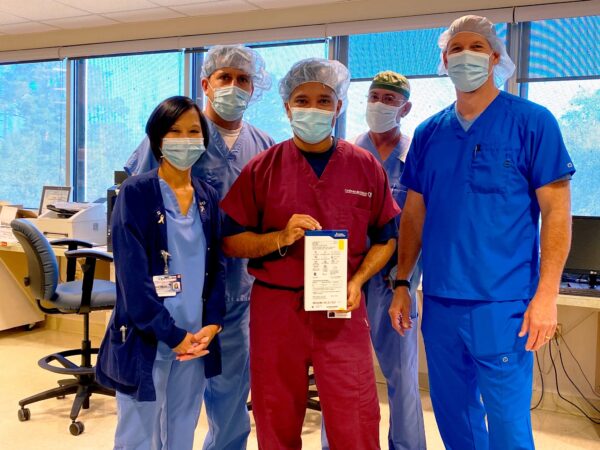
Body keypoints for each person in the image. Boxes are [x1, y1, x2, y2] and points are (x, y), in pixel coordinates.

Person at [389, 15, 575, 450]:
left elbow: (557, 213)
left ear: (495, 57)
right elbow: (413, 216)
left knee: (508, 424)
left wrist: (546, 295)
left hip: (503, 303)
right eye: (456, 49)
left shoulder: (532, 122)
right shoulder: (430, 133)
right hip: (440, 301)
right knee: (454, 417)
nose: (465, 56)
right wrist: (402, 282)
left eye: (476, 48)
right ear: (444, 59)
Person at [220, 57, 400, 450]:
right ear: (287, 107)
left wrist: (358, 281)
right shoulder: (262, 168)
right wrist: (279, 238)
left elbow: (387, 237)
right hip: (276, 309)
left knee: (355, 414)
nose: (313, 108)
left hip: (341, 306)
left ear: (338, 107)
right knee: (275, 412)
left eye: (324, 100)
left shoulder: (364, 166)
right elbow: (231, 240)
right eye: (303, 100)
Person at [124, 45, 275, 450]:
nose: (234, 86)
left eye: (243, 79)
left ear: (254, 87)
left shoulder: (264, 145)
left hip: (235, 295)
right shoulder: (176, 132)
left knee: (228, 398)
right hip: (170, 299)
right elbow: (135, 210)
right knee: (154, 407)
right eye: (224, 77)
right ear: (206, 83)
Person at [96, 96, 226, 450]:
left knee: (183, 427)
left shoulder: (207, 196)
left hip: (196, 337)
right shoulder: (136, 193)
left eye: (193, 132)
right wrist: (172, 334)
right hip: (149, 333)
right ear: (157, 139)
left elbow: (217, 268)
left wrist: (212, 324)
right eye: (175, 131)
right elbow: (133, 281)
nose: (185, 139)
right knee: (139, 432)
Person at [354, 71, 426, 450]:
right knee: (344, 372)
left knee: (401, 376)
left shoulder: (416, 157)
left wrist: (405, 280)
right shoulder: (348, 153)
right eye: (374, 96)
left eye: (389, 99)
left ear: (406, 108)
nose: (379, 105)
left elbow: (422, 225)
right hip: (349, 280)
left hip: (394, 283)